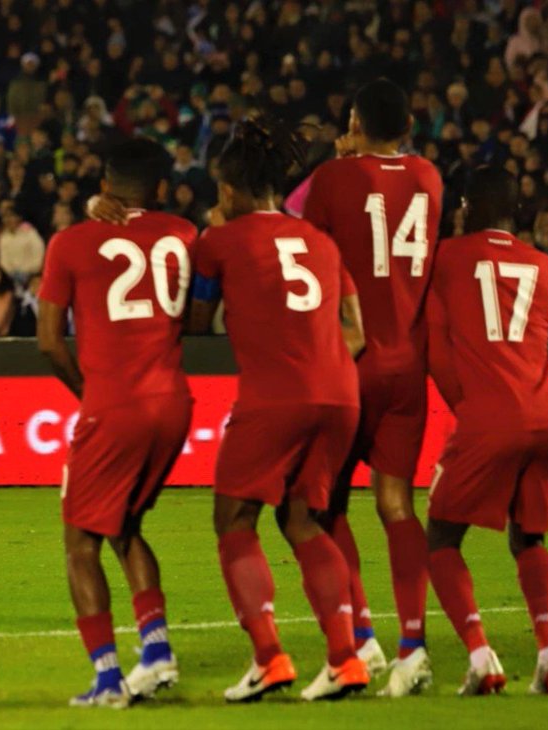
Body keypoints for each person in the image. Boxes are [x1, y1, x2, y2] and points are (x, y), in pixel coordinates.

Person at [188, 120, 368, 702]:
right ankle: (346, 658)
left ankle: (269, 656)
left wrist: (208, 238)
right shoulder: (319, 240)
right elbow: (356, 331)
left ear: (233, 191)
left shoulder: (222, 239)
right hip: (340, 392)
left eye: (220, 191)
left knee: (234, 521)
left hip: (275, 397)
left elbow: (192, 320)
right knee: (303, 520)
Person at [37, 138, 196, 708]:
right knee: (124, 524)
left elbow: (50, 343)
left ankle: (107, 678)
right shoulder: (185, 235)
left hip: (114, 404)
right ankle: (156, 652)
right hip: (175, 402)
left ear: (103, 187)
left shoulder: (71, 242)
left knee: (80, 542)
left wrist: (91, 395)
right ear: (159, 189)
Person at [300, 78, 444, 694]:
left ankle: (362, 638)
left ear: (355, 121)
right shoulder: (431, 178)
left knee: (323, 504)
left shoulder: (334, 179)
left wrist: (336, 162)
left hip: (351, 359)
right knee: (397, 504)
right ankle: (414, 646)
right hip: (409, 364)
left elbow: (295, 236)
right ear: (409, 127)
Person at [424, 167, 548, 695]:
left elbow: (437, 346)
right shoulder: (546, 267)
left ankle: (482, 657)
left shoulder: (447, 258)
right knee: (528, 536)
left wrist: (470, 410)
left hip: (490, 414)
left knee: (441, 535)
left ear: (467, 206)